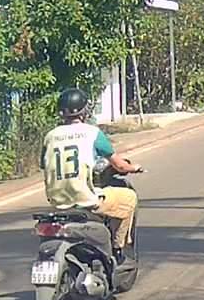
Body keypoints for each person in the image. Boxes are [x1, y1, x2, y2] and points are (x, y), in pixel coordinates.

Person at [41, 88, 142, 262]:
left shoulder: (50, 136)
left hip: (57, 202)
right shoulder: (92, 133)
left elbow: (44, 164)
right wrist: (133, 167)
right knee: (129, 198)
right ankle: (118, 249)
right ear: (85, 111)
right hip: (85, 199)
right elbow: (119, 165)